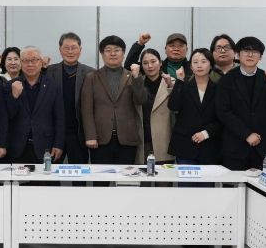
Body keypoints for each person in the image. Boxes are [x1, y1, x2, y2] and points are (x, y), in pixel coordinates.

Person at [215, 36, 266, 170]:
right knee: (233, 183)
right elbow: (223, 112)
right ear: (238, 55)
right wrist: (246, 134)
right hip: (236, 147)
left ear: (260, 57)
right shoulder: (227, 80)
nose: (250, 55)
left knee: (264, 183)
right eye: (246, 51)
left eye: (255, 51)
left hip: (264, 149)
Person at [81, 35, 146, 165]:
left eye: (117, 50)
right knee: (100, 177)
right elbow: (86, 109)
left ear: (123, 53)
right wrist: (90, 136)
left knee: (125, 177)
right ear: (102, 54)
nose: (113, 53)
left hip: (127, 138)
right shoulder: (91, 77)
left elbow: (140, 100)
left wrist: (136, 77)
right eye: (108, 50)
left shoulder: (132, 76)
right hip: (100, 140)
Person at [6, 46, 65, 163]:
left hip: (46, 147)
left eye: (34, 60)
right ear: (21, 63)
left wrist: (58, 144)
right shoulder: (10, 85)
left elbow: (59, 118)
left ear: (41, 62)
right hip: (17, 147)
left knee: (45, 176)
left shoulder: (53, 86)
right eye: (26, 61)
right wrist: (14, 97)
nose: (30, 64)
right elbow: (7, 116)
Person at [45, 32, 95, 164]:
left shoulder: (91, 73)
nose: (70, 51)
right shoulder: (48, 71)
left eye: (74, 48)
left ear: (80, 50)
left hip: (78, 134)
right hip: (54, 133)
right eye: (66, 48)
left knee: (79, 172)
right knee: (50, 171)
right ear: (60, 50)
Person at [168, 48, 223, 165]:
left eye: (203, 61)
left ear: (211, 65)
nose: (199, 65)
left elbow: (223, 117)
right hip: (185, 145)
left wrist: (206, 133)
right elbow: (173, 106)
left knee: (208, 178)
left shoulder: (219, 89)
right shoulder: (184, 86)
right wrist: (179, 81)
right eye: (195, 62)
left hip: (209, 145)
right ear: (191, 67)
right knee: (185, 177)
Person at [136, 49, 174, 164]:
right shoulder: (137, 82)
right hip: (143, 139)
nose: (150, 66)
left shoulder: (171, 82)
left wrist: (170, 87)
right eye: (145, 63)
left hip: (164, 139)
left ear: (160, 63)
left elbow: (177, 108)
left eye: (153, 61)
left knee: (164, 174)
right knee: (143, 174)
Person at [124, 32, 192, 79]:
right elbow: (129, 67)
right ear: (165, 49)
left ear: (186, 49)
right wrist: (140, 44)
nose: (176, 49)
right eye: (172, 45)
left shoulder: (194, 67)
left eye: (180, 46)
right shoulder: (156, 65)